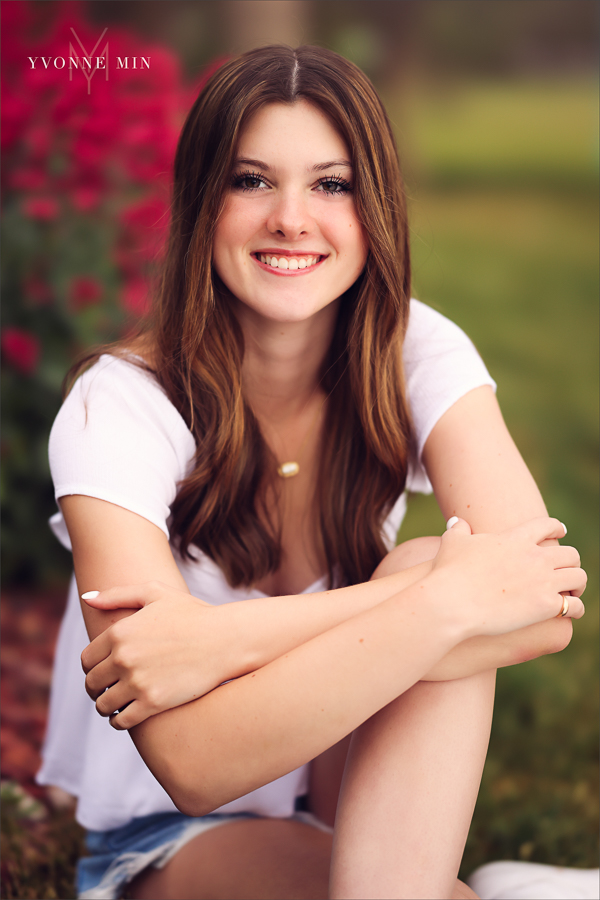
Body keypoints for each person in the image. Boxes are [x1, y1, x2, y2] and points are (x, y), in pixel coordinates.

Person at [37, 45, 586, 900]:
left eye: (331, 185)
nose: (292, 218)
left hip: (343, 796)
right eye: (252, 180)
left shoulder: (415, 347)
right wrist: (443, 600)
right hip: (169, 834)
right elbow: (191, 762)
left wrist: (220, 640)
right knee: (443, 580)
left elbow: (543, 605)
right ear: (199, 203)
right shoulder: (120, 408)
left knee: (436, 574)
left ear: (375, 208)